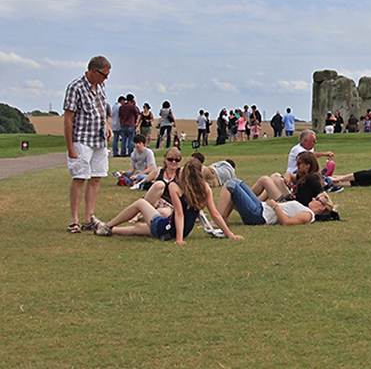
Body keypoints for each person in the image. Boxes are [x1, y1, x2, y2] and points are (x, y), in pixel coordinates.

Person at [93, 158, 242, 244]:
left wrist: (178, 240)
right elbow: (215, 214)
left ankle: (108, 225)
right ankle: (109, 230)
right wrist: (230, 234)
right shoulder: (205, 189)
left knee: (140, 203)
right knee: (138, 228)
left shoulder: (175, 187)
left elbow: (179, 214)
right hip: (181, 231)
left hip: (167, 228)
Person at [63, 56, 112, 233]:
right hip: (82, 138)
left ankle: (89, 217)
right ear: (93, 72)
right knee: (80, 177)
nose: (106, 79)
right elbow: (68, 119)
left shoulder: (101, 86)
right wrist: (70, 147)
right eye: (104, 75)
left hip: (99, 139)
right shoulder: (75, 87)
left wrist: (106, 125)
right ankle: (73, 219)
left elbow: (101, 109)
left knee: (96, 177)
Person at [217, 178, 334, 226]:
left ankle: (217, 219)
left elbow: (288, 223)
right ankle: (224, 217)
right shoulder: (306, 210)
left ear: (322, 208)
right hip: (261, 207)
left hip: (259, 215)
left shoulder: (309, 215)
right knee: (236, 181)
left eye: (317, 200)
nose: (313, 198)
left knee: (230, 185)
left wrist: (275, 206)